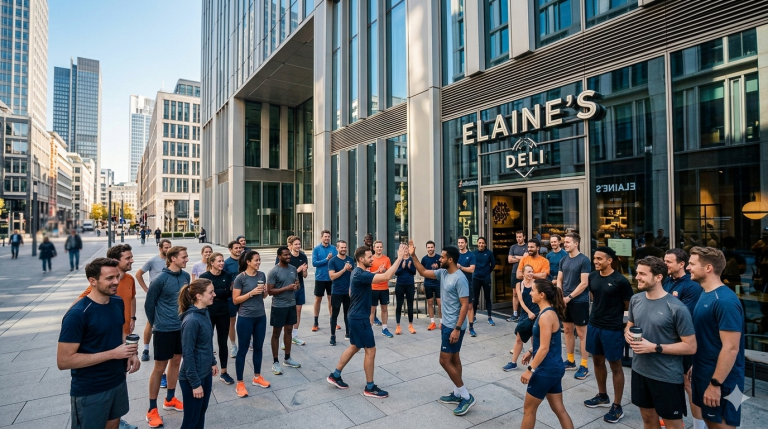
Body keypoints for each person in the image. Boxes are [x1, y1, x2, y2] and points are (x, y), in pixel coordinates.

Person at [57, 258, 141, 429]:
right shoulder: (78, 314)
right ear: (92, 281)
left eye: (117, 277)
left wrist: (131, 353)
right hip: (91, 390)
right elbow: (64, 361)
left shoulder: (117, 301)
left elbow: (121, 333)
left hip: (117, 381)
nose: (116, 282)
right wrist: (113, 354)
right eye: (109, 278)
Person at [625, 256, 697, 429]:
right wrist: (627, 334)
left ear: (658, 277)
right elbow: (629, 326)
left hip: (666, 377)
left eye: (642, 274)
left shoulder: (677, 308)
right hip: (639, 371)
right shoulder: (636, 299)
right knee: (648, 419)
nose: (637, 277)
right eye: (637, 273)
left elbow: (691, 346)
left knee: (673, 425)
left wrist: (654, 347)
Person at [326, 244, 405, 398]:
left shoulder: (358, 272)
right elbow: (387, 277)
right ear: (361, 259)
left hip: (355, 316)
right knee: (371, 350)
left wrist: (376, 272)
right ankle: (370, 387)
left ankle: (335, 375)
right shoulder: (360, 274)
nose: (372, 259)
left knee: (355, 346)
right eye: (370, 257)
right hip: (360, 318)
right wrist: (400, 258)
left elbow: (354, 289)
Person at [409, 240, 476, 415]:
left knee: (444, 360)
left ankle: (466, 396)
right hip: (447, 323)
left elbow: (465, 305)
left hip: (454, 326)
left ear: (451, 260)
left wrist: (456, 328)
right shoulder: (443, 273)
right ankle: (456, 393)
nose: (440, 259)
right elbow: (423, 271)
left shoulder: (460, 278)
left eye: (443, 257)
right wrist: (413, 254)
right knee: (454, 359)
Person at [688, 247, 745, 429]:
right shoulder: (706, 294)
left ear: (708, 268)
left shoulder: (725, 301)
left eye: (692, 264)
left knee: (722, 426)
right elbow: (707, 337)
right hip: (704, 373)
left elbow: (731, 348)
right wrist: (695, 364)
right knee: (710, 422)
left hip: (724, 382)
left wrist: (715, 384)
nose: (688, 268)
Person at [583, 247, 634, 423]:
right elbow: (595, 297)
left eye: (599, 259)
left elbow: (629, 306)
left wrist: (627, 327)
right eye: (594, 258)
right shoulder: (592, 276)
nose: (595, 261)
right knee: (597, 360)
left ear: (609, 260)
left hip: (612, 328)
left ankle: (617, 406)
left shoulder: (621, 281)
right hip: (594, 325)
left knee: (615, 365)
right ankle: (602, 395)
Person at [517, 280, 573, 429]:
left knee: (529, 410)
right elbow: (547, 341)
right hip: (553, 368)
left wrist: (530, 370)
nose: (530, 293)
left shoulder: (546, 316)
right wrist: (530, 351)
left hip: (545, 371)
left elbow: (544, 348)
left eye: (532, 290)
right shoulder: (546, 312)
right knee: (559, 409)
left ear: (542, 295)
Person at [144, 246, 190, 428]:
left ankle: (170, 399)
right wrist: (157, 323)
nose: (187, 259)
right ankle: (151, 409)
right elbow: (149, 305)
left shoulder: (185, 276)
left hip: (181, 327)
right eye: (184, 257)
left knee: (177, 361)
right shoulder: (160, 279)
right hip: (164, 329)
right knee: (159, 367)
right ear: (172, 259)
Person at [662, 248, 703, 427]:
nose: (665, 265)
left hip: (685, 344)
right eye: (664, 261)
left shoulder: (691, 286)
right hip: (668, 342)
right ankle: (672, 417)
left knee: (689, 384)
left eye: (669, 262)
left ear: (681, 264)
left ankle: (699, 424)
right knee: (671, 382)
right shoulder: (666, 281)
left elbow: (683, 315)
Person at [177, 279, 218, 429]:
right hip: (193, 378)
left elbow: (206, 343)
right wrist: (195, 384)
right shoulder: (192, 320)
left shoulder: (204, 312)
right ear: (199, 296)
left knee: (201, 413)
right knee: (191, 420)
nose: (214, 294)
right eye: (211, 292)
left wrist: (212, 361)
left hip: (205, 372)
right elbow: (187, 354)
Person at [75, 245, 138, 339]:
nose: (132, 260)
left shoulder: (130, 279)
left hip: (126, 330)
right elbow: (78, 304)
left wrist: (132, 317)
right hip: (111, 333)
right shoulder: (104, 285)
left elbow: (132, 298)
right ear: (116, 261)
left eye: (131, 257)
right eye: (128, 258)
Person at [232, 251, 271, 397]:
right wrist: (251, 293)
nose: (259, 262)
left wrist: (265, 292)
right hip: (245, 318)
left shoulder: (261, 275)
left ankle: (257, 377)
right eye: (256, 260)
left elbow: (263, 296)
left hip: (260, 316)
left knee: (258, 347)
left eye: (259, 260)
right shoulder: (240, 278)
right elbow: (235, 300)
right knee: (242, 350)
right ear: (248, 262)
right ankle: (240, 383)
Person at [556, 232, 592, 379]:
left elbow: (584, 283)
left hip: (579, 301)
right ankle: (570, 361)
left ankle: (584, 365)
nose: (565, 244)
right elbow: (559, 279)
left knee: (582, 334)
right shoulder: (563, 259)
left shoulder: (584, 260)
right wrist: (560, 295)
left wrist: (569, 297)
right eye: (565, 242)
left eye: (568, 242)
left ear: (576, 244)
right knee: (567, 330)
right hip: (564, 300)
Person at [199, 252, 235, 385]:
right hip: (207, 313)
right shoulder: (204, 277)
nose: (221, 263)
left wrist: (214, 294)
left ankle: (224, 372)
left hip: (223, 312)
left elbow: (228, 292)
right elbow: (202, 295)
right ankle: (205, 371)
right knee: (206, 342)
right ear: (212, 263)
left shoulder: (227, 275)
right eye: (219, 261)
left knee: (222, 343)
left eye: (222, 261)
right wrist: (221, 293)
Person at [136, 239, 172, 363]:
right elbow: (138, 274)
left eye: (169, 247)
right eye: (166, 247)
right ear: (160, 248)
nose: (168, 249)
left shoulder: (171, 260)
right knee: (150, 322)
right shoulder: (153, 261)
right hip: (155, 295)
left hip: (168, 296)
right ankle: (145, 349)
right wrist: (146, 289)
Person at [267, 246, 302, 374]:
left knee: (288, 331)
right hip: (278, 306)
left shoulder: (293, 269)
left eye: (289, 255)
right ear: (279, 256)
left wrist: (296, 286)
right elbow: (270, 291)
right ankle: (275, 361)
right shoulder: (274, 271)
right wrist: (286, 288)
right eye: (285, 255)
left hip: (291, 305)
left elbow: (296, 285)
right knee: (276, 333)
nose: (288, 257)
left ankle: (287, 358)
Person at [504, 265, 538, 371]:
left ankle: (535, 365)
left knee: (535, 339)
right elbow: (520, 301)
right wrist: (528, 313)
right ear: (522, 273)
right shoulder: (519, 284)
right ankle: (513, 363)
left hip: (536, 313)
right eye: (528, 272)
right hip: (525, 313)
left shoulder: (536, 283)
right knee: (519, 338)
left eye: (532, 271)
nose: (530, 274)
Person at [280, 236, 309, 349]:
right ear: (290, 246)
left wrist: (305, 271)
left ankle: (294, 336)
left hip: (299, 287)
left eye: (299, 244)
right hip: (288, 288)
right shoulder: (287, 257)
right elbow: (284, 275)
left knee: (298, 311)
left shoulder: (303, 256)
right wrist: (298, 270)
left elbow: (305, 276)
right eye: (296, 244)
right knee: (287, 312)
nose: (298, 246)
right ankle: (284, 338)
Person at [328, 240, 355, 345]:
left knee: (348, 313)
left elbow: (353, 275)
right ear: (337, 248)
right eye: (341, 247)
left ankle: (348, 333)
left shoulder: (350, 260)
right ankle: (333, 336)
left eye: (345, 247)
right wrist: (344, 270)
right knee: (334, 314)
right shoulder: (333, 261)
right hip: (337, 291)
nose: (343, 249)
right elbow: (332, 276)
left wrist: (351, 271)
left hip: (348, 292)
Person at [311, 230, 336, 331]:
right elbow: (314, 263)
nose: (327, 238)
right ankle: (315, 322)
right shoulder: (316, 249)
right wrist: (326, 259)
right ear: (321, 237)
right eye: (325, 236)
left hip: (331, 278)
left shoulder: (334, 249)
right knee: (318, 299)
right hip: (320, 278)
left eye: (328, 237)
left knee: (331, 299)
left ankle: (333, 321)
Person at [224, 240, 243, 358]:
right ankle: (233, 345)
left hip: (244, 295)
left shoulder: (244, 261)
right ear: (230, 250)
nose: (238, 250)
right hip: (231, 297)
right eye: (236, 248)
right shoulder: (226, 263)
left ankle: (247, 341)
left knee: (245, 319)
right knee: (232, 321)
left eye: (239, 248)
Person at [369, 240, 393, 336]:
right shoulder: (370, 259)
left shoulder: (386, 259)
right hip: (373, 288)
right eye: (377, 247)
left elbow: (390, 273)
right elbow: (367, 274)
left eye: (380, 247)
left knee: (384, 309)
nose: (379, 248)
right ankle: (369, 330)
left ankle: (384, 328)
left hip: (384, 288)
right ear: (374, 248)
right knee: (372, 310)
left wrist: (384, 270)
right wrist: (377, 271)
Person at [472, 237, 497, 326]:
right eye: (479, 243)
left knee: (487, 298)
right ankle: (473, 316)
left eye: (483, 243)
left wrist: (487, 271)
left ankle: (489, 317)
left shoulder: (489, 253)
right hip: (476, 278)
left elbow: (493, 264)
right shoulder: (474, 253)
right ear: (477, 244)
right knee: (475, 298)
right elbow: (471, 264)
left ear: (485, 244)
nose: (481, 244)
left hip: (486, 278)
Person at [456, 236, 477, 336]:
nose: (460, 244)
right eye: (459, 243)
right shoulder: (455, 255)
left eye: (462, 242)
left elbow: (472, 269)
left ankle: (471, 327)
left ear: (466, 243)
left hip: (468, 283)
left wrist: (461, 267)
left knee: (469, 306)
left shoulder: (471, 255)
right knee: (457, 305)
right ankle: (457, 326)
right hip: (456, 284)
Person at [394, 246, 417, 335]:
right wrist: (402, 267)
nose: (406, 251)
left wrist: (408, 267)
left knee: (410, 304)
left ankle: (410, 325)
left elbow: (414, 272)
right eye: (404, 249)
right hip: (400, 284)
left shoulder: (412, 259)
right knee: (399, 305)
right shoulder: (398, 259)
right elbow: (396, 272)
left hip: (410, 284)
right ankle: (398, 326)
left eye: (407, 249)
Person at [507, 231, 528, 322]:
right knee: (515, 293)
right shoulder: (513, 247)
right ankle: (515, 314)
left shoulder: (527, 246)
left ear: (524, 237)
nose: (518, 238)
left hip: (525, 273)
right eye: (517, 237)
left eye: (520, 237)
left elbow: (526, 259)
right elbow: (509, 260)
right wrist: (521, 258)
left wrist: (515, 257)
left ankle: (525, 313)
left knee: (525, 293)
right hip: (515, 272)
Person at [421, 241, 442, 330]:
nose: (430, 249)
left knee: (440, 303)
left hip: (438, 283)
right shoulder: (424, 259)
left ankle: (442, 322)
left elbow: (444, 270)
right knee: (429, 302)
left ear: (434, 248)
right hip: (428, 283)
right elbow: (421, 272)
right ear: (426, 248)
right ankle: (432, 322)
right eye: (428, 247)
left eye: (431, 247)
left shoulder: (439, 258)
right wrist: (422, 283)